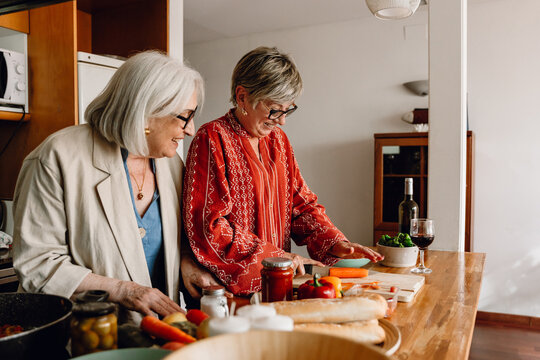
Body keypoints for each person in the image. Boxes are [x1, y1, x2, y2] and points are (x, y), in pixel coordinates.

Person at [12, 51, 220, 324]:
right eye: (184, 116)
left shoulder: (170, 165)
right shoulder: (57, 157)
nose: (191, 129)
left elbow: (174, 241)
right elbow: (38, 264)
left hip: (156, 336)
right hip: (84, 337)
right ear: (147, 113)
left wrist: (186, 263)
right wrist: (123, 290)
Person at [182, 46, 383, 296]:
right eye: (274, 110)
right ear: (242, 96)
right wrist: (277, 258)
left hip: (278, 283)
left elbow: (301, 205)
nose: (282, 121)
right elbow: (209, 226)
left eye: (288, 109)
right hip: (228, 292)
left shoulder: (279, 141)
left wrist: (334, 242)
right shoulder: (212, 138)